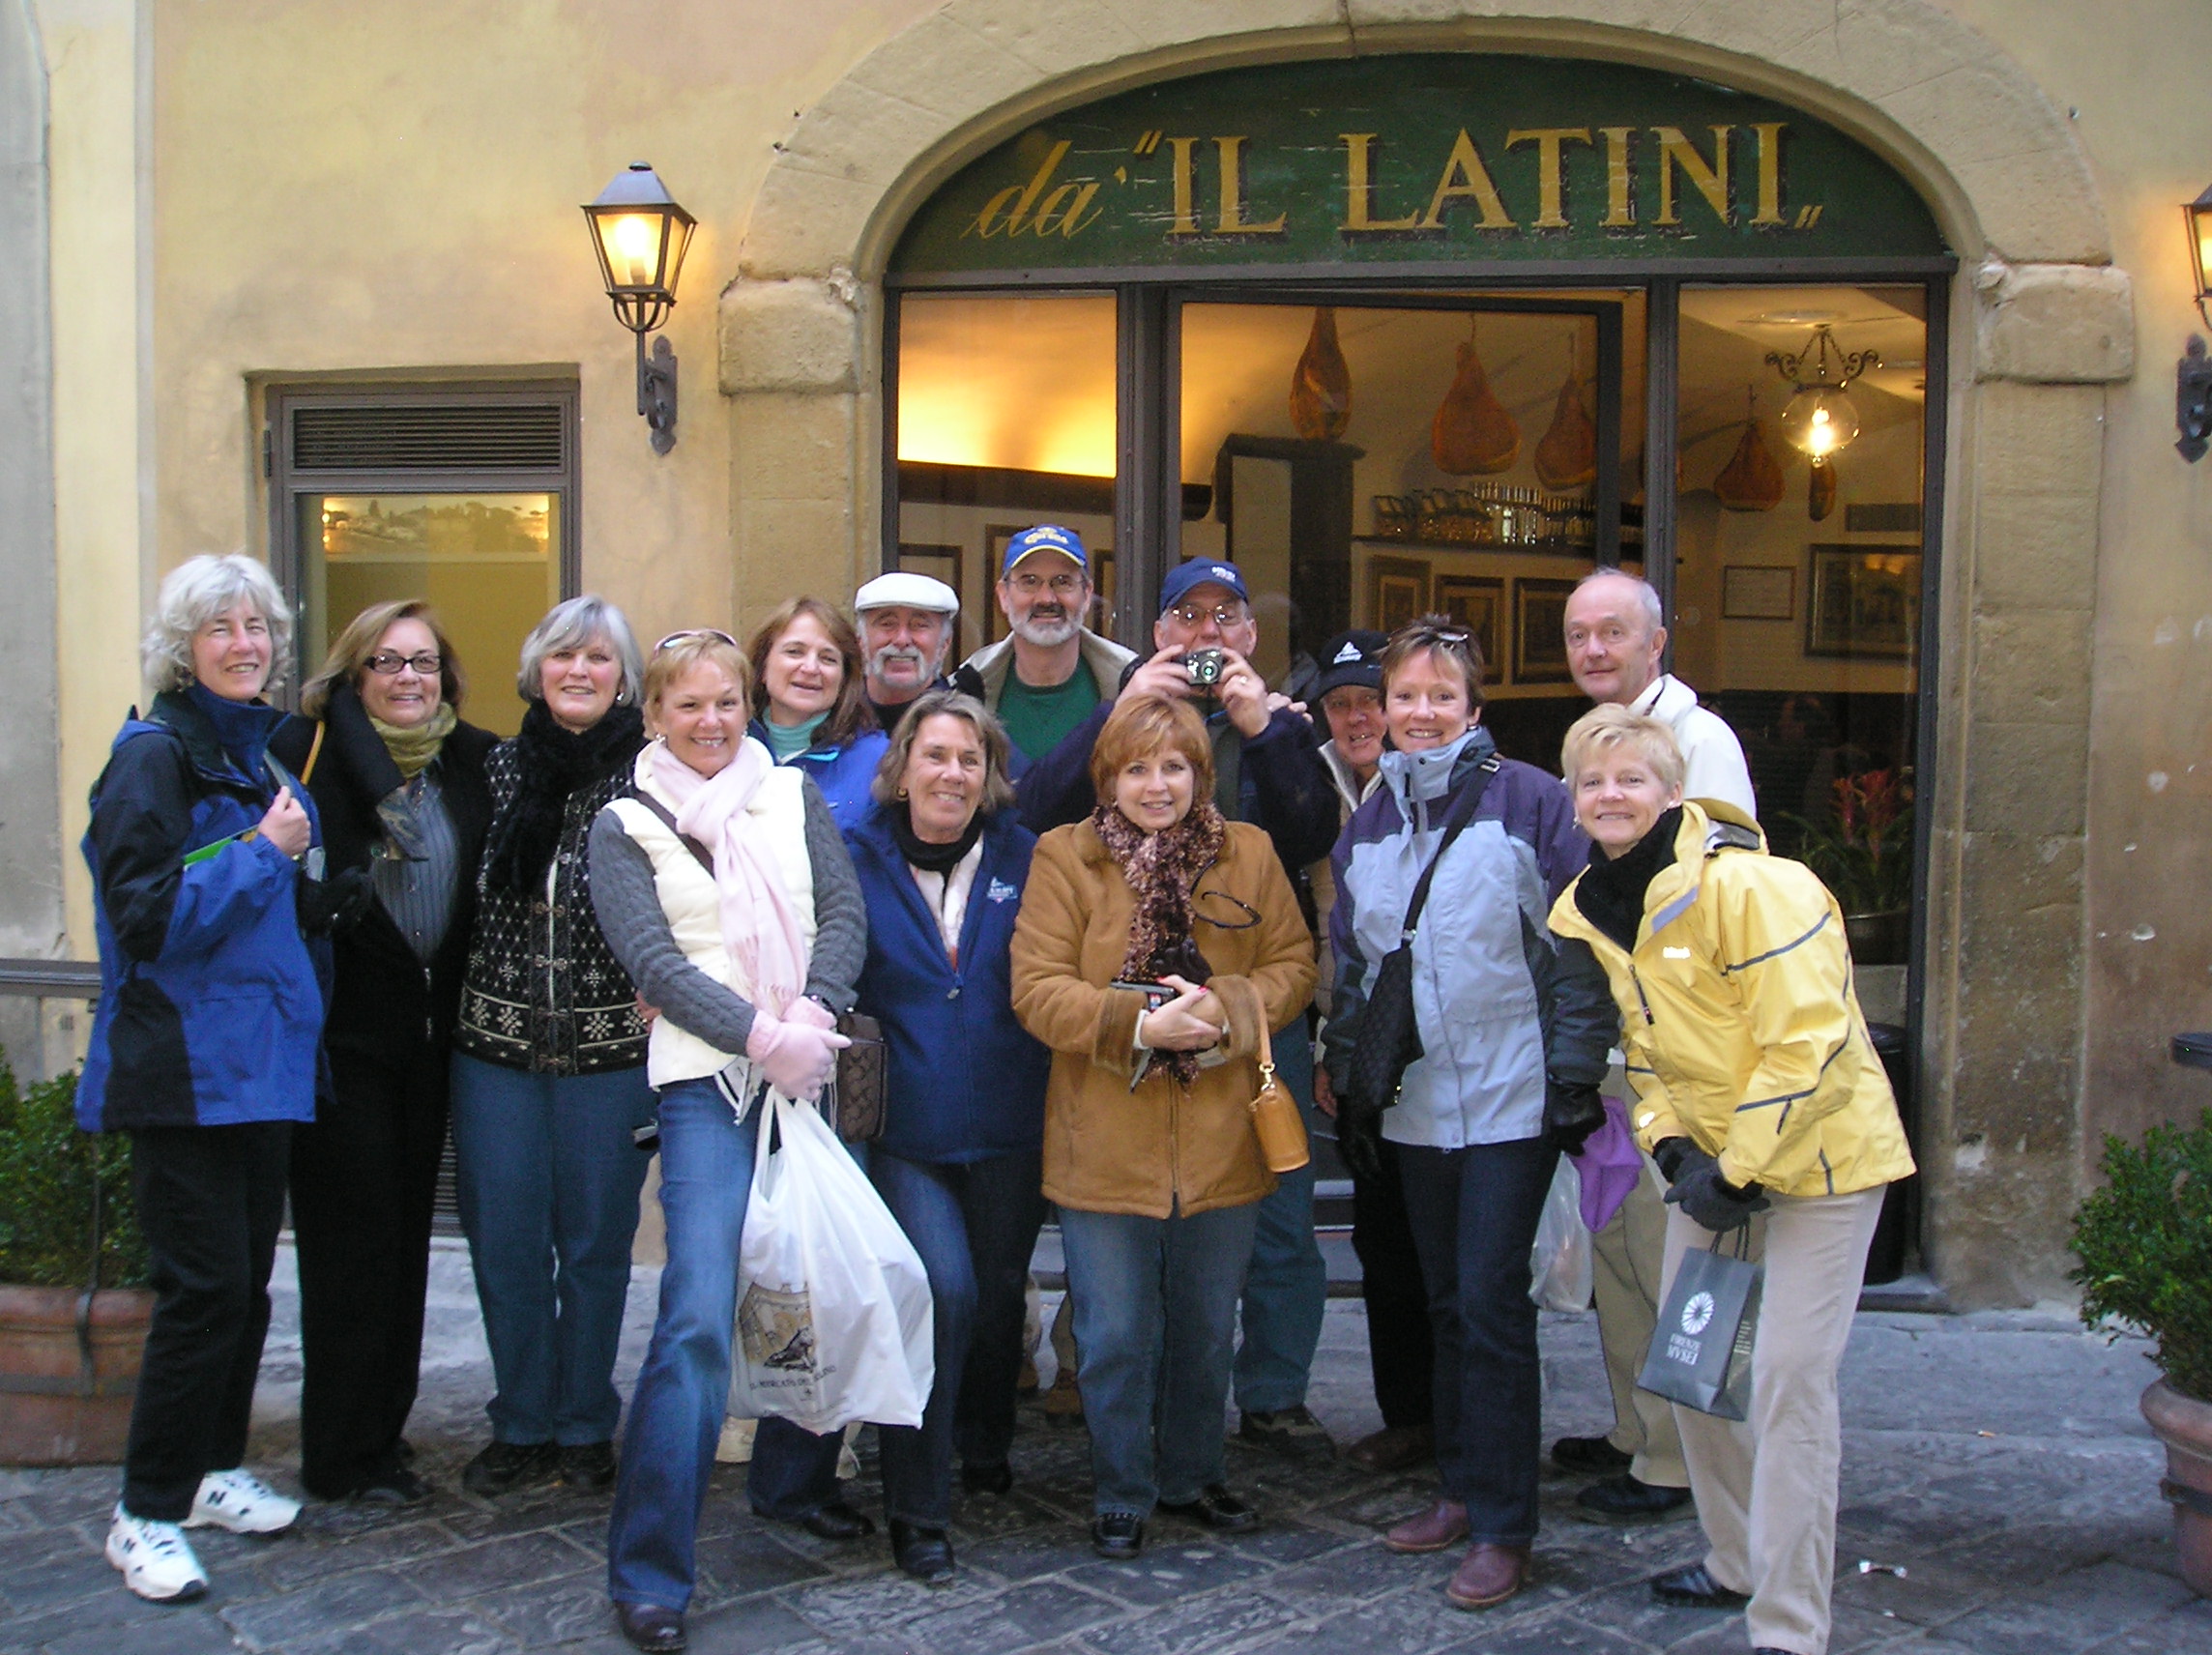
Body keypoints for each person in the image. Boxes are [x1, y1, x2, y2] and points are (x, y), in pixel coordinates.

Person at [1547, 704, 1915, 1655]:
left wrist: (1738, 1169)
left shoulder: (1758, 888)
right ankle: (1733, 1559)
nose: (1610, 793)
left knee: (1789, 1382)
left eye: (1630, 777)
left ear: (1672, 791)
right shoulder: (1595, 904)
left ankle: (1788, 1624)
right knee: (1693, 1371)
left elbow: (1809, 1039)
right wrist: (1672, 1149)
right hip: (1715, 1167)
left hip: (1821, 1166)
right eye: (1592, 779)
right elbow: (1649, 1049)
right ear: (1573, 798)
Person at [1016, 560, 1341, 1451]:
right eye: (1186, 618)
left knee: (1275, 1214)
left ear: (1249, 636)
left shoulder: (1280, 723)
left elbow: (1314, 836)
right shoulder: (1123, 708)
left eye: (1225, 618)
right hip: (1127, 1015)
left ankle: (1271, 1393)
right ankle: (1117, 1391)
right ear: (1157, 634)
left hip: (1251, 1017)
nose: (1206, 637)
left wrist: (1262, 730)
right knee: (1120, 1214)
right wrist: (1118, 709)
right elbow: (1034, 809)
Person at [1323, 618, 1611, 1612]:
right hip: (1416, 1104)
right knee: (1443, 1300)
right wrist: (1344, 1075)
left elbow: (1580, 950)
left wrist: (1574, 1073)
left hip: (1511, 1093)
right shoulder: (1364, 824)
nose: (1420, 711)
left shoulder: (1532, 802)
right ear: (1383, 707)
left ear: (1472, 709)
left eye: (1441, 694)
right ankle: (1456, 1485)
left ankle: (1502, 1523)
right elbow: (1354, 968)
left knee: (1489, 1304)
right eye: (1405, 695)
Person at [588, 629, 865, 1655]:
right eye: (687, 704)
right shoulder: (622, 823)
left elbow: (841, 913)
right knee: (699, 1309)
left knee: (810, 1285)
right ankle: (650, 1568)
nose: (711, 721)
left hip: (808, 1068)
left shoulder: (790, 797)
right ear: (653, 714)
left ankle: (793, 1484)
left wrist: (811, 1017)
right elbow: (652, 959)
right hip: (706, 1084)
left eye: (726, 702)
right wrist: (759, 1037)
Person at [1009, 695, 1314, 1562]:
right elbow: (1035, 988)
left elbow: (1294, 963)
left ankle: (1192, 1474)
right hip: (1102, 1141)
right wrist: (1140, 1025)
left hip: (1223, 1138)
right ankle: (1121, 1489)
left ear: (1200, 775)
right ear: (1107, 777)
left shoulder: (1247, 852)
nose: (1156, 785)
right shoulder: (1064, 857)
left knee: (1208, 1326)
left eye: (1174, 767)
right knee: (1112, 1334)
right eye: (1136, 768)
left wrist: (1229, 1009)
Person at [80, 555, 323, 1603]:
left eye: (256, 625)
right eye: (219, 627)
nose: (243, 642)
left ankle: (208, 1469)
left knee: (244, 1289)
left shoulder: (252, 755)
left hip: (260, 1066)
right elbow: (145, 916)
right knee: (202, 1292)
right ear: (183, 647)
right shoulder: (153, 756)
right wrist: (268, 854)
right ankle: (142, 1510)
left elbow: (264, 912)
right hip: (182, 1066)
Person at [272, 601, 497, 1505]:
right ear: (353, 675)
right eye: (388, 663)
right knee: (348, 1246)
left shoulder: (473, 763)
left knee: (404, 1237)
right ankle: (338, 1451)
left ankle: (384, 1432)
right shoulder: (309, 757)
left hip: (429, 1039)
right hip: (340, 1037)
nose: (409, 679)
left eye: (426, 663)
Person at [1555, 566, 1754, 1521]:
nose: (1593, 649)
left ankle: (1676, 1459)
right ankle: (1637, 1429)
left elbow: (1709, 901)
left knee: (1672, 1258)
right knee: (1620, 1254)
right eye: (1577, 635)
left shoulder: (1696, 739)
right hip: (1616, 1056)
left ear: (1654, 642)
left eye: (1611, 633)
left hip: (1679, 1061)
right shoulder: (1596, 741)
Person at [843, 690, 1051, 1584]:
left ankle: (984, 1441)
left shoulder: (1029, 858)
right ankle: (917, 1507)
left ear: (991, 775)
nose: (952, 774)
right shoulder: (855, 860)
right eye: (935, 755)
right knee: (942, 1293)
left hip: (1011, 1123)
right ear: (901, 767)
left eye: (970, 759)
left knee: (1001, 1296)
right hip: (907, 1131)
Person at [449, 596, 655, 1497]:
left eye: (599, 659)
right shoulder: (490, 773)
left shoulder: (653, 779)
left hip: (612, 1058)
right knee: (505, 1243)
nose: (580, 671)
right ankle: (521, 1419)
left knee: (599, 1243)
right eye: (564, 655)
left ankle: (583, 1423)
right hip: (495, 1053)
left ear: (624, 680)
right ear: (536, 670)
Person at [1303, 629, 1434, 1476]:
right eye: (1343, 703)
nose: (1359, 718)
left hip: (1435, 1044)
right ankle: (1407, 1415)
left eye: (1371, 702)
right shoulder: (1302, 783)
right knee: (1382, 1240)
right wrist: (1328, 1049)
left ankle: (1457, 1415)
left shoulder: (1441, 789)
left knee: (1442, 1246)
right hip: (1350, 1039)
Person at [952, 524, 1134, 769]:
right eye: (1029, 582)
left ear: (1087, 594)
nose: (1046, 598)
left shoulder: (1129, 685)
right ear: (1003, 596)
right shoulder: (965, 691)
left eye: (1062, 582)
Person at [745, 596, 889, 829]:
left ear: (844, 678)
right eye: (794, 652)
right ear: (763, 666)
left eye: (827, 658)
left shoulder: (879, 761)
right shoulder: (728, 749)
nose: (811, 668)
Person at [854, 571, 960, 734]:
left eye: (919, 625)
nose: (902, 640)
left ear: (944, 644)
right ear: (861, 640)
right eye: (887, 624)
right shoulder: (833, 720)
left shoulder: (968, 730)